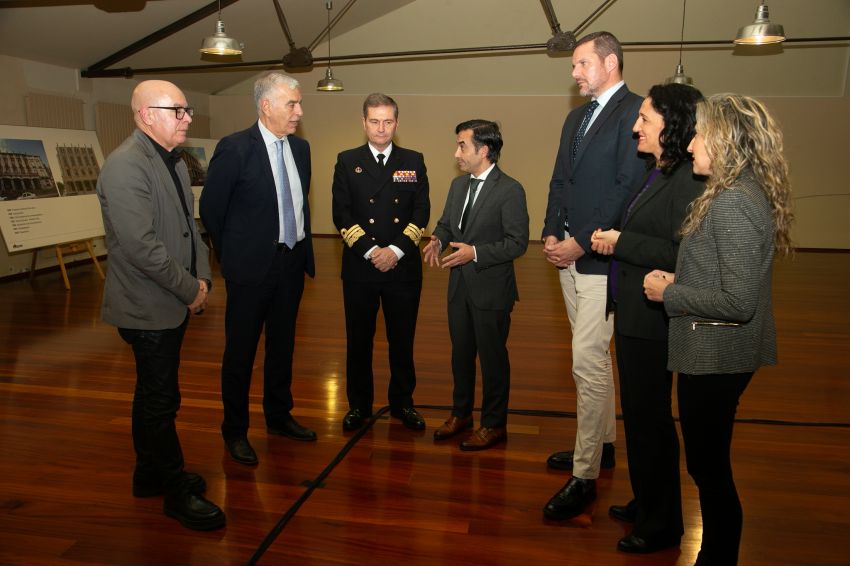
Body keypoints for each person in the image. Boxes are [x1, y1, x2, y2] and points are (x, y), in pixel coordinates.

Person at [643, 93, 793, 566]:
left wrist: (670, 293)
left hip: (716, 355)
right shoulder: (735, 192)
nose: (690, 146)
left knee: (709, 469)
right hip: (717, 349)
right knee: (707, 464)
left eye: (700, 135)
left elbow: (739, 303)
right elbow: (727, 280)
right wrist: (682, 281)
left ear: (727, 141)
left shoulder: (733, 205)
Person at [96, 80, 225, 530]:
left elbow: (187, 230)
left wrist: (203, 277)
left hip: (170, 298)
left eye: (187, 110)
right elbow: (142, 248)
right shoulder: (125, 166)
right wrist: (191, 290)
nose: (188, 118)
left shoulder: (168, 160)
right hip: (148, 305)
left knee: (152, 394)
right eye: (179, 110)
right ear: (147, 115)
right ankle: (173, 491)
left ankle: (148, 474)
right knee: (161, 400)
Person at [590, 83, 704, 553]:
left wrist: (621, 241)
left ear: (670, 125)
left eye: (645, 119)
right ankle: (646, 499)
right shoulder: (656, 171)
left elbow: (683, 253)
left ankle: (663, 523)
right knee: (636, 416)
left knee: (651, 419)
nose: (636, 127)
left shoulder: (689, 181)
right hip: (634, 312)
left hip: (655, 319)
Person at [541, 31, 646, 520]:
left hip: (601, 258)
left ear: (609, 62)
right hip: (566, 255)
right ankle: (602, 446)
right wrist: (548, 234)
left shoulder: (636, 112)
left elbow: (628, 186)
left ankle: (583, 474)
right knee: (591, 361)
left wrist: (581, 239)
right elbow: (560, 178)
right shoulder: (574, 118)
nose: (575, 73)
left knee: (587, 360)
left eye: (581, 64)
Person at [200, 72, 316, 467]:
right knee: (241, 353)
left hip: (291, 264)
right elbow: (211, 211)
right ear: (266, 106)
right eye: (292, 104)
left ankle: (279, 416)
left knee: (282, 347)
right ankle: (235, 431)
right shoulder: (234, 148)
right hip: (249, 271)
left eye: (299, 104)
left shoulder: (300, 149)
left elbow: (300, 204)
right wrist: (234, 255)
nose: (299, 111)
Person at [424, 119, 529, 451]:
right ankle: (461, 415)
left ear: (483, 150)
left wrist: (475, 253)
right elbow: (445, 224)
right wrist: (438, 241)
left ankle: (494, 424)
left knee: (493, 358)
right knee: (461, 355)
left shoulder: (510, 190)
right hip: (459, 288)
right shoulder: (458, 186)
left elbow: (518, 243)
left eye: (462, 146)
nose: (456, 153)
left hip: (492, 290)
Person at [331, 93, 430, 431]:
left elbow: (421, 211)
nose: (381, 128)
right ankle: (359, 405)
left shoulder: (413, 160)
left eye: (388, 121)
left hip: (403, 268)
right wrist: (373, 252)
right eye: (374, 121)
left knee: (402, 341)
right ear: (364, 123)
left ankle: (403, 403)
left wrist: (396, 251)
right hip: (361, 268)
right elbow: (341, 214)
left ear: (397, 123)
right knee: (358, 340)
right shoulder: (347, 160)